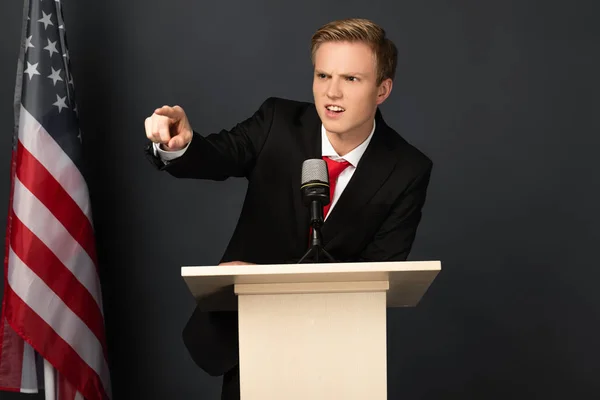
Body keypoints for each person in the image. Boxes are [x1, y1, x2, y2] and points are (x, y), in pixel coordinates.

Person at [144, 18, 433, 400]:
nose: (332, 93)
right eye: (323, 75)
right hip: (247, 341)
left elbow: (379, 271)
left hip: (339, 353)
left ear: (382, 90)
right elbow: (215, 156)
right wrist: (178, 145)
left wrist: (270, 282)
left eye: (351, 79)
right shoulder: (277, 122)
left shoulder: (407, 168)